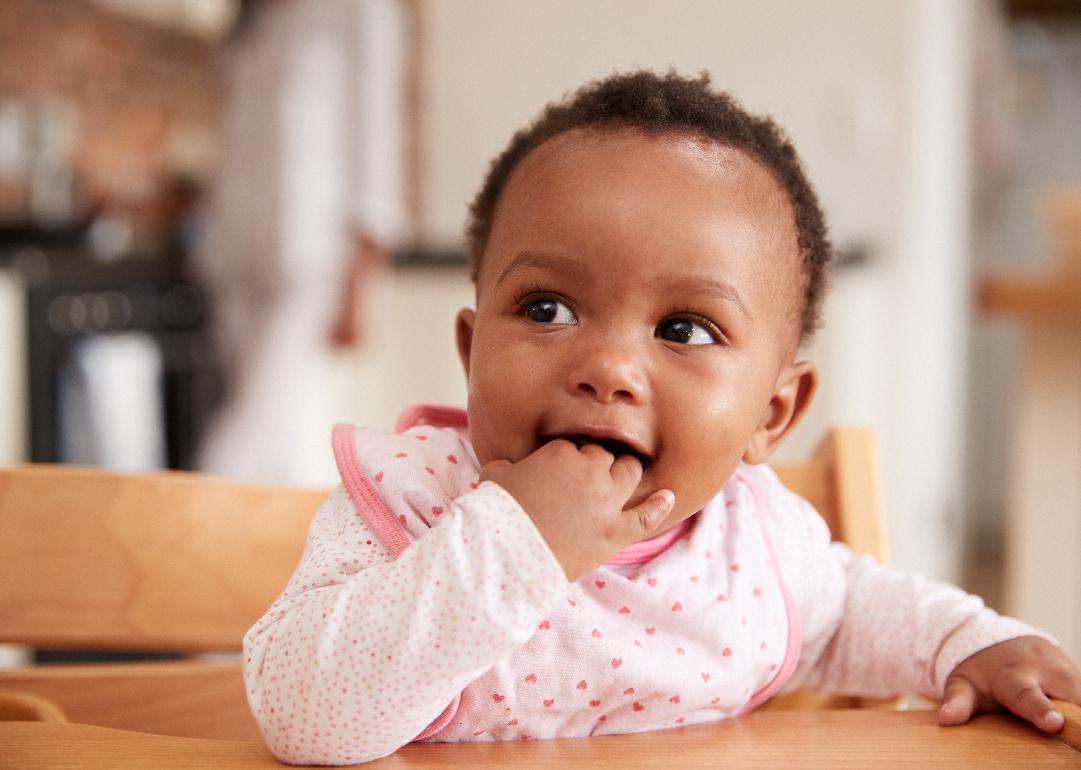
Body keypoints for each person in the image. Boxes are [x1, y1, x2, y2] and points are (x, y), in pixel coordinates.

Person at [242, 71, 1081, 765]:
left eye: (683, 329)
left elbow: (858, 613)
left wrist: (965, 645)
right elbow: (302, 715)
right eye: (545, 308)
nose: (606, 368)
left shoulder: (754, 551)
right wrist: (513, 542)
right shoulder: (409, 505)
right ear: (470, 353)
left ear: (771, 413)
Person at [195, 0, 404, 484]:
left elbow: (375, 134)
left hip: (308, 249)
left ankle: (190, 529)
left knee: (245, 430)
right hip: (234, 246)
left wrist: (361, 275)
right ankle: (274, 549)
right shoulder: (255, 19)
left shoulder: (362, 9)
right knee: (285, 423)